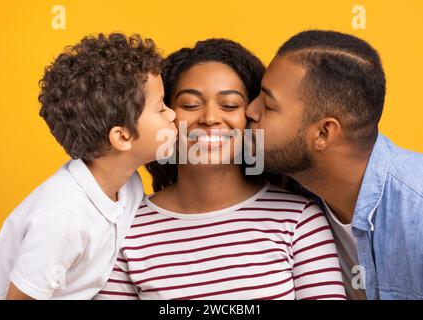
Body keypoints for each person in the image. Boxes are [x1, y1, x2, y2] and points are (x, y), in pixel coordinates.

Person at [95, 38, 346, 300]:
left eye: (230, 105)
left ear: (253, 115)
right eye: (190, 105)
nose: (210, 118)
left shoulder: (300, 220)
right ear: (165, 115)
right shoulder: (126, 231)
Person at [0, 33, 177, 299]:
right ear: (122, 136)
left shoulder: (128, 185)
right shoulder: (63, 218)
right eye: (161, 108)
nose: (173, 114)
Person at [246, 29, 423, 300]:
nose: (250, 111)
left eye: (268, 105)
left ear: (324, 133)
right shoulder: (290, 200)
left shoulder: (416, 211)